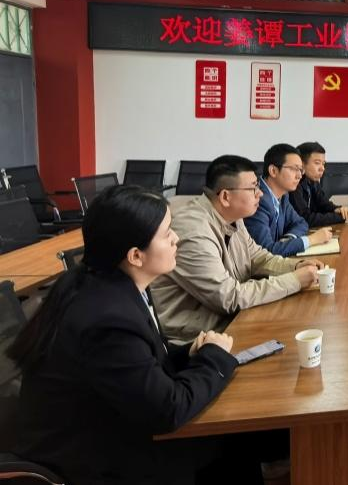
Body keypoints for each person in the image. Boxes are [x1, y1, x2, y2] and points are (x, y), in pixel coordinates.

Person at [5, 185, 260, 484]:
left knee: (233, 431)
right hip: (94, 460)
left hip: (109, 424)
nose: (176, 238)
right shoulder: (107, 320)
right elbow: (168, 410)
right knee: (236, 440)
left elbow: (142, 361)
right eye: (167, 233)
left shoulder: (103, 282)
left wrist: (191, 353)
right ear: (136, 255)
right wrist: (213, 360)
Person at [151, 155, 323, 345]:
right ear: (225, 196)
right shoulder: (193, 231)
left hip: (233, 321)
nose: (260, 194)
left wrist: (295, 266)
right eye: (253, 188)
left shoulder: (232, 217)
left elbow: (258, 258)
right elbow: (229, 297)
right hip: (199, 341)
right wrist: (295, 280)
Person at [246, 144, 331, 257]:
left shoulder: (283, 196)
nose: (299, 176)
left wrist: (288, 239)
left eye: (300, 170)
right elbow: (266, 252)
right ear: (273, 171)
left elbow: (301, 222)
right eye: (294, 169)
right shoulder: (257, 200)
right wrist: (311, 240)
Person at [290, 141, 348, 228]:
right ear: (301, 164)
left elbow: (323, 204)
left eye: (323, 164)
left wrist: (338, 209)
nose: (322, 168)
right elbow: (305, 218)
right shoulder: (294, 185)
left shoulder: (313, 181)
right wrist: (342, 217)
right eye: (317, 163)